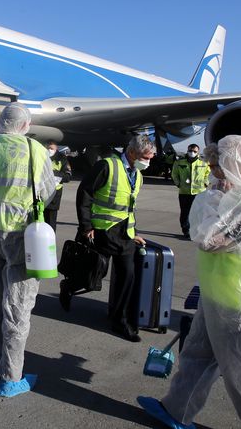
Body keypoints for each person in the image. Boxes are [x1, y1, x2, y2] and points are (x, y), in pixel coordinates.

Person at [138, 135, 241, 429]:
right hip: (217, 293)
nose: (213, 172)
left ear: (235, 166)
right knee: (197, 354)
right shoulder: (234, 197)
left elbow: (211, 241)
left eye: (218, 167)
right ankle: (177, 410)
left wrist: (209, 200)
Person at [0, 102, 58, 397]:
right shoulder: (37, 151)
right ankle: (11, 376)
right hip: (21, 232)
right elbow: (47, 192)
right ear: (26, 125)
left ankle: (1, 358)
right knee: (18, 305)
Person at [61, 134, 155, 342]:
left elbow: (128, 207)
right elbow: (84, 194)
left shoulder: (137, 174)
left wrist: (134, 233)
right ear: (131, 153)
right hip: (102, 231)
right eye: (146, 157)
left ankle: (119, 321)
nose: (148, 162)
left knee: (127, 276)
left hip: (125, 234)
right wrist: (86, 226)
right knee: (92, 274)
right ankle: (68, 287)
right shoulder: (107, 166)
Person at [171, 143, 210, 238]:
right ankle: (186, 231)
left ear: (198, 152)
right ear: (187, 151)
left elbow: (208, 173)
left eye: (194, 151)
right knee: (185, 212)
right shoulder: (179, 162)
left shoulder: (204, 162)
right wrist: (178, 183)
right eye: (190, 151)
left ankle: (197, 230)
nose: (192, 153)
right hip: (184, 192)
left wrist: (206, 182)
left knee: (199, 212)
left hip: (199, 192)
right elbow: (174, 174)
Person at [43, 140, 72, 230]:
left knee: (51, 221)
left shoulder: (61, 158)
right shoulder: (41, 156)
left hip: (54, 195)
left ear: (56, 149)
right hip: (40, 193)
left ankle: (50, 242)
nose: (49, 150)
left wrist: (54, 174)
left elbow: (68, 177)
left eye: (51, 148)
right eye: (48, 148)